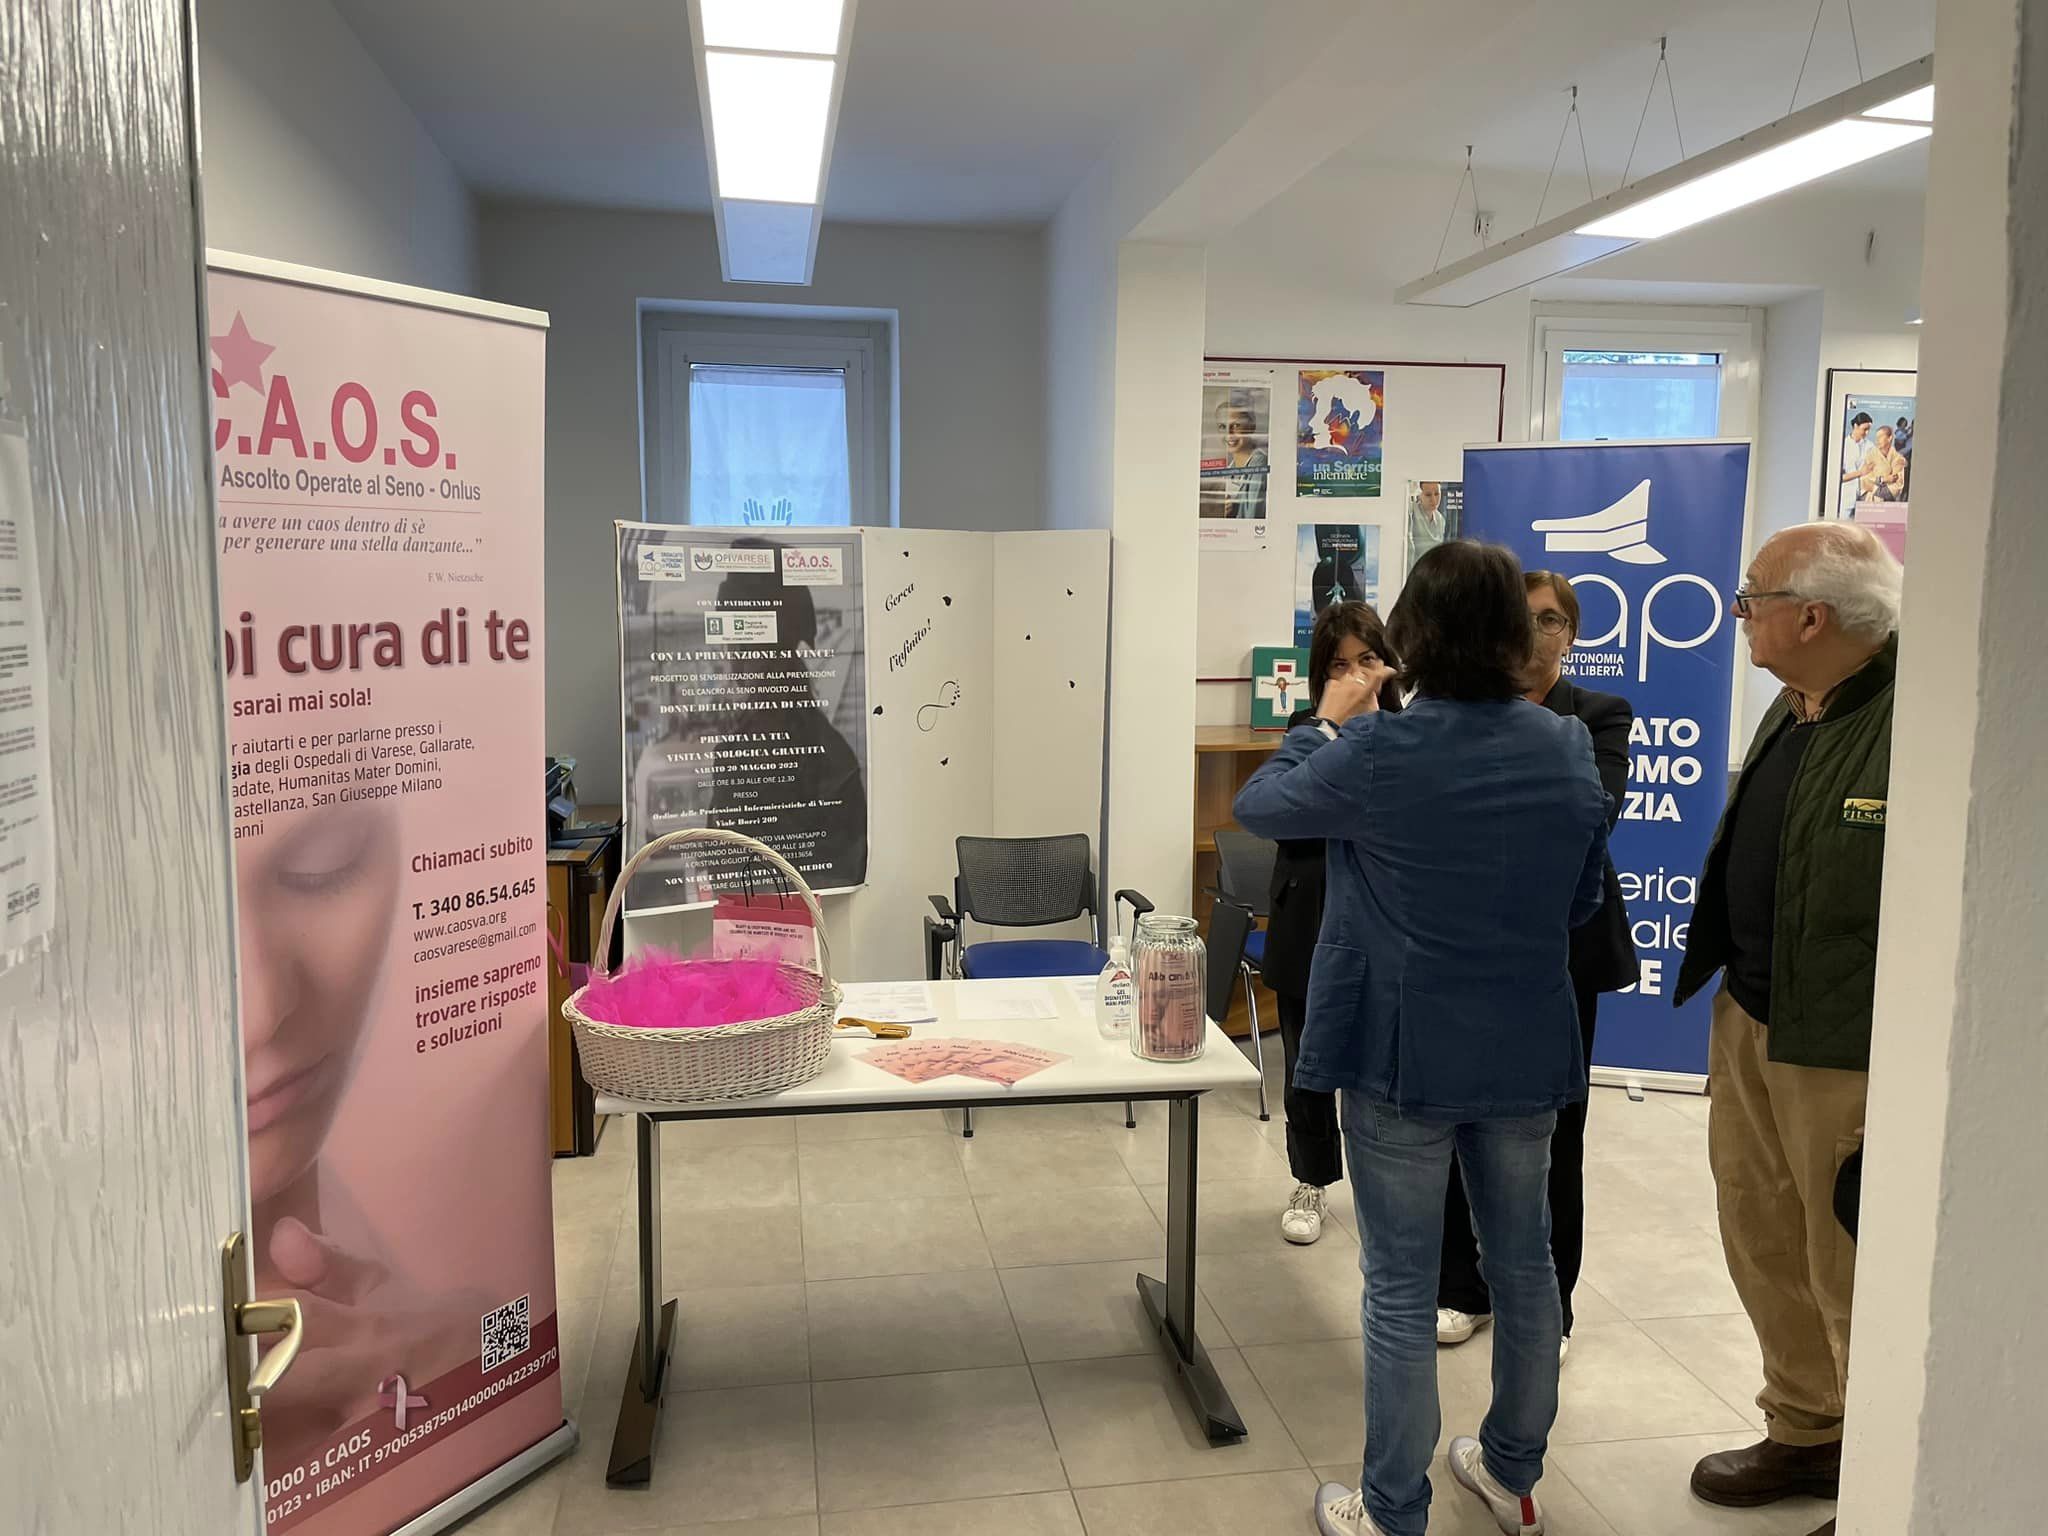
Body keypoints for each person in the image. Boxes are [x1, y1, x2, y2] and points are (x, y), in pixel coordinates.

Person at [1235, 541, 1611, 1536]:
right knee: (1523, 1266)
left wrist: (1326, 719)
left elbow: (1261, 805)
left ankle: (1394, 1510)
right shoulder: (1563, 744)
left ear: (1411, 636)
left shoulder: (1378, 749)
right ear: (1511, 633)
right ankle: (1511, 1474)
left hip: (1402, 1053)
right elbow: (1580, 900)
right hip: (1526, 1040)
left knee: (1399, 1288)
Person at [1674, 522, 1901, 1535]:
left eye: (1750, 597)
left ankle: (1883, 1477)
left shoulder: (1913, 717)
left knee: (1848, 1259)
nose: (1738, 614)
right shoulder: (1792, 701)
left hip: (1844, 1048)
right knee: (1759, 1232)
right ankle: (1806, 1429)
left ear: (1810, 617)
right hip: (1751, 1010)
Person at [1436, 571, 1637, 1360]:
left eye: (1552, 620)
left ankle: (1550, 1308)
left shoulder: (1598, 715)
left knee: (1555, 1133)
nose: (1536, 631)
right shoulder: (1458, 711)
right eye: (1522, 618)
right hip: (1463, 948)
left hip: (1564, 952)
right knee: (1456, 1119)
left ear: (1572, 635)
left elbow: (1593, 813)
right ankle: (1464, 1289)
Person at [1264, 601, 1403, 1245]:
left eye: (1366, 660)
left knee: (1383, 1062)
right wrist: (1331, 730)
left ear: (1388, 664)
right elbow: (1286, 821)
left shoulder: (1412, 733)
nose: (1354, 676)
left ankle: (1390, 1188)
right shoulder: (1306, 731)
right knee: (1305, 1063)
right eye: (1339, 665)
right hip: (1309, 914)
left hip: (1383, 922)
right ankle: (1311, 1179)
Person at [1858, 424, 1909, 502]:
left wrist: (1873, 487)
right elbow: (1863, 482)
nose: (1877, 440)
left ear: (1889, 438)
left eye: (1880, 437)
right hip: (1867, 501)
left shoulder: (1898, 459)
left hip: (1888, 503)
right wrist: (1883, 479)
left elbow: (1895, 489)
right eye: (1876, 437)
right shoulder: (1871, 455)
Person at [1837, 411, 1874, 513]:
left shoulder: (1870, 446)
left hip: (1865, 498)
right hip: (1846, 498)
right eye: (1865, 429)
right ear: (1855, 426)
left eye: (1869, 430)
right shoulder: (1843, 445)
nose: (1867, 433)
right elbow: (1838, 478)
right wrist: (1860, 472)